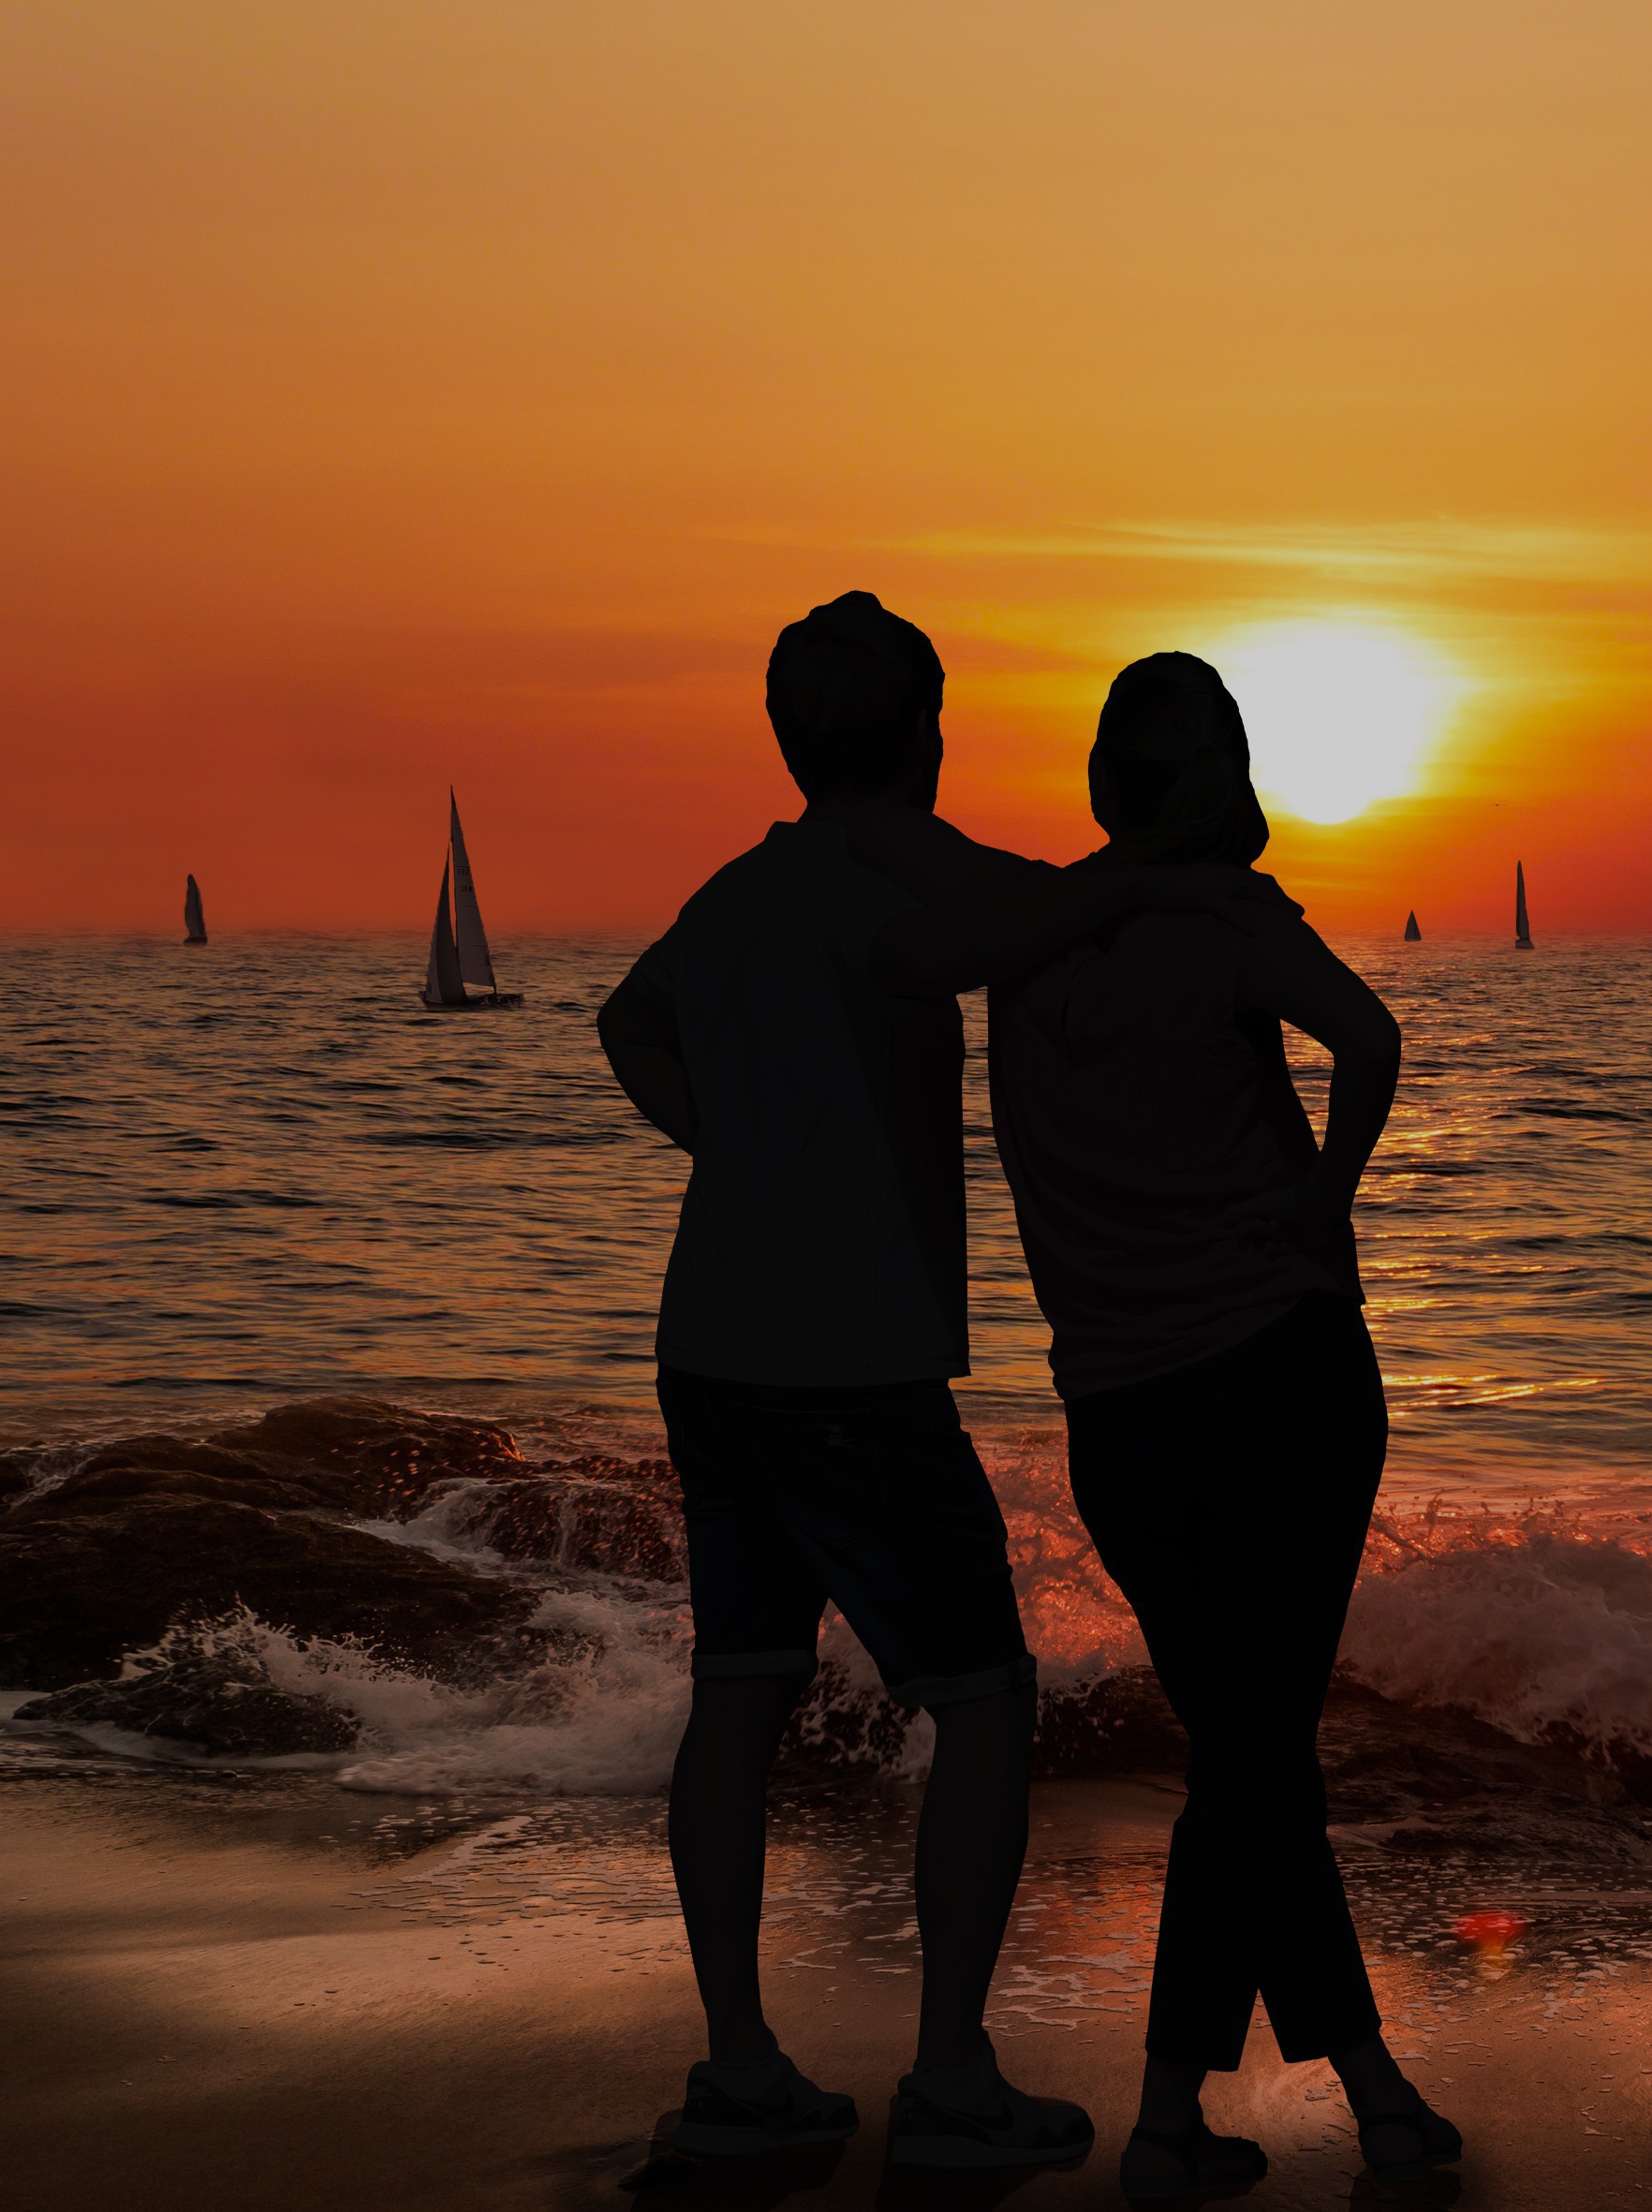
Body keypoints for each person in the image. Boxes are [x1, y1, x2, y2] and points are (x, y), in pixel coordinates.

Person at [595, 594, 1287, 2173]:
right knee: (983, 1699)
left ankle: (741, 2067)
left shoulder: (739, 890)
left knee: (740, 1691)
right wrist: (1155, 858)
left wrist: (730, 1141)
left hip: (709, 1350)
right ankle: (955, 2075)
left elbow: (630, 1026)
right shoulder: (875, 884)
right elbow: (999, 934)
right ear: (928, 732)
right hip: (850, 1364)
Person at [848, 651, 1454, 2198]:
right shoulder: (1230, 921)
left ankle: (1380, 2089)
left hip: (1120, 1415)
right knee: (1256, 1760)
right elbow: (1372, 1043)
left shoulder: (1032, 948)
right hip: (1281, 1383)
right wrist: (1323, 1204)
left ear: (1110, 782)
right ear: (1228, 775)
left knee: (1255, 1755)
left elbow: (925, 925)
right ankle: (1171, 2118)